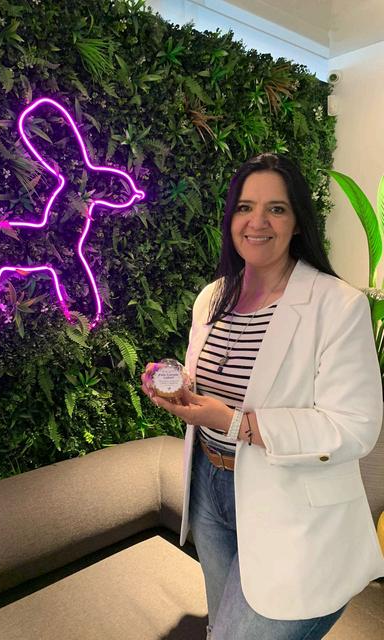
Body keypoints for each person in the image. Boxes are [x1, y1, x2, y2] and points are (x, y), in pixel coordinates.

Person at [141, 153, 384, 640]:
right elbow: (212, 385)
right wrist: (179, 388)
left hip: (292, 509)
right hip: (209, 487)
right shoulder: (212, 297)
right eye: (245, 207)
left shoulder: (338, 305)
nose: (257, 222)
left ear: (297, 222)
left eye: (276, 208)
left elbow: (356, 427)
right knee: (220, 625)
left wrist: (237, 423)